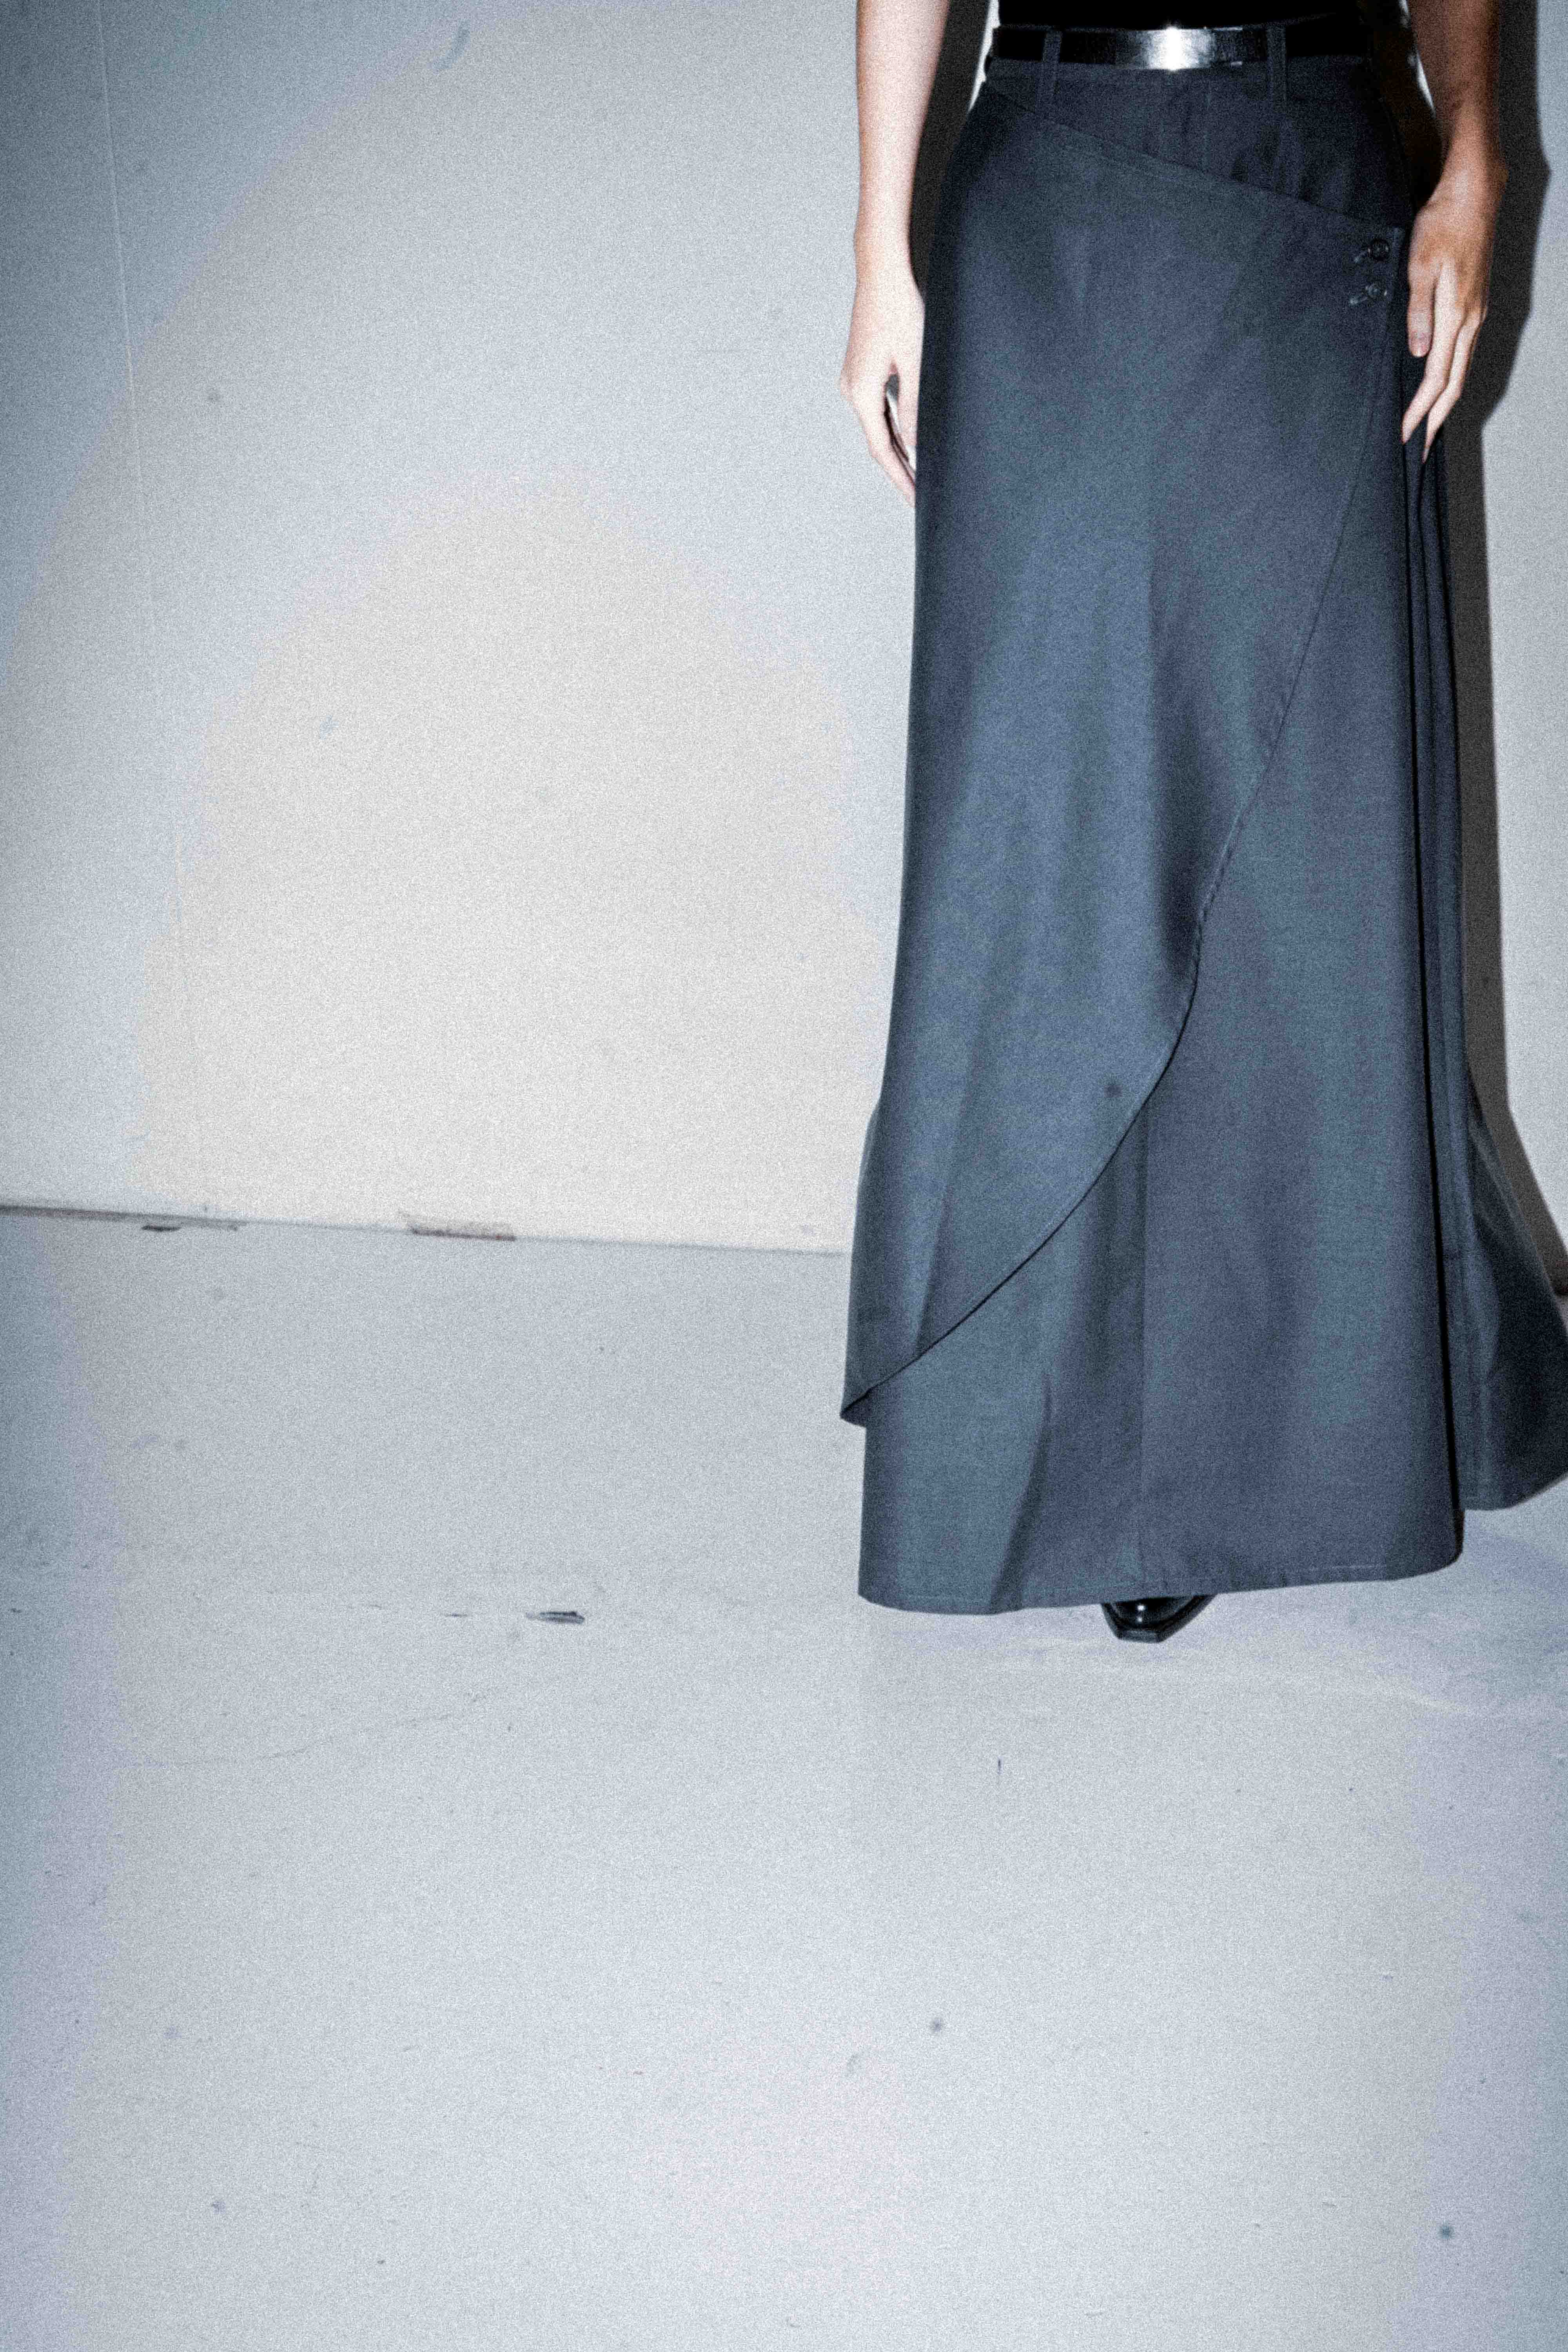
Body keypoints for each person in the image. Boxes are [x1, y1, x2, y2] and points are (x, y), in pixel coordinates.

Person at [837, 0, 1568, 1641]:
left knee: (1310, 831)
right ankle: (1064, 1452)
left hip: (1318, 166)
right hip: (1061, 181)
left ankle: (1304, 1434)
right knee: (1059, 825)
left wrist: (1475, 154)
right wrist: (882, 240)